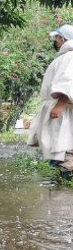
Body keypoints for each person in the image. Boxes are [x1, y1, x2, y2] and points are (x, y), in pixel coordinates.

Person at [26, 24, 73, 178]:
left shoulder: (70, 56)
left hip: (62, 110)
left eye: (57, 38)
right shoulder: (64, 56)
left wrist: (59, 106)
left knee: (63, 148)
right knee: (58, 147)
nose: (55, 41)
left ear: (62, 38)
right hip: (59, 109)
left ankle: (65, 186)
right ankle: (62, 189)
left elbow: (68, 82)